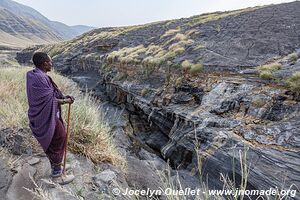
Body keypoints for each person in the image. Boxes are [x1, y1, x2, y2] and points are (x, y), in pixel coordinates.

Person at [26, 52, 75, 184]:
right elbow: (49, 100)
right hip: (46, 116)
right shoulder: (40, 78)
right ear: (44, 63)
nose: (51, 64)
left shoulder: (34, 74)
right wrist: (66, 102)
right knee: (58, 138)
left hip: (47, 114)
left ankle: (56, 165)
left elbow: (50, 96)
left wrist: (64, 97)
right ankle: (56, 174)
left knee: (55, 139)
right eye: (50, 61)